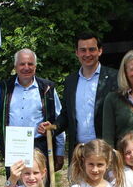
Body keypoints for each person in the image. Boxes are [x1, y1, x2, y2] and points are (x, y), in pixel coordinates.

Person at [0, 49, 65, 187]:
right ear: (15, 67)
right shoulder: (5, 88)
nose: (26, 67)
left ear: (35, 66)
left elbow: (59, 120)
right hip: (14, 147)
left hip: (40, 146)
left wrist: (59, 151)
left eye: (30, 64)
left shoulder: (47, 88)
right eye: (22, 64)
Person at [38, 33, 118, 163]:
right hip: (79, 152)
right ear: (77, 53)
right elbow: (66, 114)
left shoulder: (114, 78)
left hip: (105, 150)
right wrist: (53, 127)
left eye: (92, 49)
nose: (87, 54)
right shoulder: (70, 81)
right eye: (83, 50)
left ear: (100, 51)